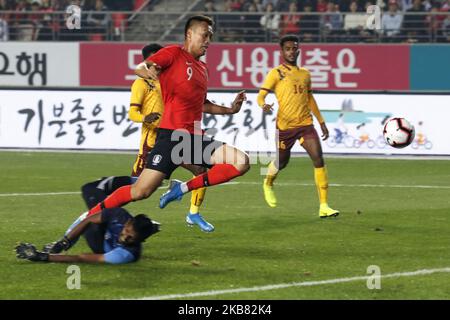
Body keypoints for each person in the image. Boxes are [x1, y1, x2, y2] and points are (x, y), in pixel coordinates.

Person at [82, 15, 250, 222]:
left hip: (193, 138)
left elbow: (203, 104)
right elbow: (141, 67)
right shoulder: (173, 53)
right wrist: (148, 72)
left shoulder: (203, 69)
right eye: (204, 35)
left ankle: (181, 189)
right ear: (189, 34)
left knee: (241, 162)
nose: (208, 41)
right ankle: (86, 218)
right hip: (171, 137)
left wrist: (231, 110)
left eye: (210, 36)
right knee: (140, 191)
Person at [128, 43, 213, 232]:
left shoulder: (170, 80)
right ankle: (111, 213)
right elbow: (132, 113)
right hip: (152, 143)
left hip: (174, 137)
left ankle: (193, 213)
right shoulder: (141, 84)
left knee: (201, 170)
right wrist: (145, 118)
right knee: (136, 189)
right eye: (154, 61)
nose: (158, 65)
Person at [257, 35, 339, 218]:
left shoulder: (305, 74)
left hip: (305, 124)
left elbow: (309, 98)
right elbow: (260, 96)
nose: (291, 51)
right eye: (288, 48)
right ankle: (268, 182)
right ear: (282, 51)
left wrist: (322, 122)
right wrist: (263, 105)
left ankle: (324, 206)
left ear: (299, 50)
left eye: (294, 48)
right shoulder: (275, 73)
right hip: (285, 127)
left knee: (318, 159)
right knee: (282, 162)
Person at [15, 205, 160, 264]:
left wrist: (43, 257)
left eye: (131, 238)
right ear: (128, 223)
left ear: (141, 240)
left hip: (104, 248)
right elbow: (88, 220)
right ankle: (60, 243)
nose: (125, 237)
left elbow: (81, 258)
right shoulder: (119, 215)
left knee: (92, 225)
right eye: (127, 232)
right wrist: (63, 243)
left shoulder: (127, 254)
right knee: (89, 216)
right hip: (105, 235)